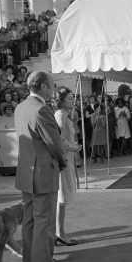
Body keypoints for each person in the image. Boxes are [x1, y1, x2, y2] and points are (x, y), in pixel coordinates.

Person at [15, 71, 68, 262]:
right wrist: (62, 163)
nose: (53, 90)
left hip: (26, 174)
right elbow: (54, 143)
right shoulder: (42, 110)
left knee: (30, 220)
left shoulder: (21, 107)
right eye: (52, 86)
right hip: (43, 174)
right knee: (44, 221)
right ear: (44, 87)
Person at [54, 87, 80, 247]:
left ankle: (59, 232)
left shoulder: (65, 115)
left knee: (62, 199)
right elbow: (58, 137)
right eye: (70, 99)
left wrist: (71, 146)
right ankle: (59, 233)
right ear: (62, 101)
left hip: (66, 159)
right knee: (61, 198)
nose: (73, 101)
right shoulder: (60, 116)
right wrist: (71, 146)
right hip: (63, 161)